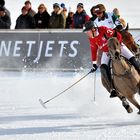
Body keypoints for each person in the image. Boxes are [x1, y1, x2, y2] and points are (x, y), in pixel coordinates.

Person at [83, 21, 140, 97]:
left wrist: (117, 48)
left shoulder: (103, 29)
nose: (87, 33)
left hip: (119, 47)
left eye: (87, 31)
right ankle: (112, 89)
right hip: (107, 52)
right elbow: (93, 51)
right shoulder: (91, 39)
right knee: (103, 67)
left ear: (93, 29)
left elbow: (118, 36)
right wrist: (94, 64)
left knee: (132, 59)